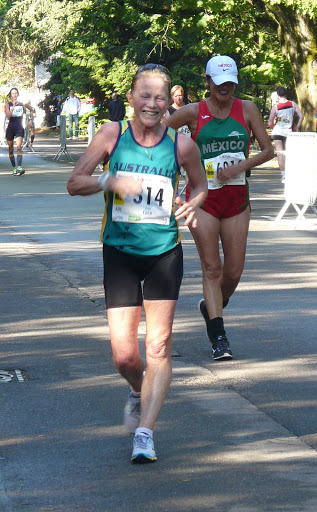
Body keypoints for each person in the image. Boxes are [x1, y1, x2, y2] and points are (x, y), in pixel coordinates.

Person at [67, 63, 207, 464]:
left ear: (168, 101)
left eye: (159, 97)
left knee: (159, 345)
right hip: (121, 254)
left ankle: (144, 433)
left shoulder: (182, 145)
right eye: (144, 95)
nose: (152, 103)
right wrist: (108, 181)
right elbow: (75, 182)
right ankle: (136, 387)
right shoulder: (112, 136)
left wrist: (193, 203)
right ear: (130, 98)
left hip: (164, 253)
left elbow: (200, 187)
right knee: (125, 356)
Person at [164, 55, 274, 361]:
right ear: (208, 82)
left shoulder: (247, 109)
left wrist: (241, 164)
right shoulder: (192, 111)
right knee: (212, 267)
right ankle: (219, 335)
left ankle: (210, 307)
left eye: (230, 83)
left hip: (237, 199)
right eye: (219, 82)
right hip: (203, 200)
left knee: (234, 270)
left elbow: (268, 150)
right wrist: (177, 169)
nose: (225, 88)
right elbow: (159, 135)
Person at [268, 86, 304, 181]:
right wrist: (297, 127)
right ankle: (291, 173)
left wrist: (273, 127)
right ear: (286, 94)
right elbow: (301, 116)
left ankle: (283, 175)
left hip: (278, 131)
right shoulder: (293, 104)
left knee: (280, 154)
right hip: (289, 132)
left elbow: (270, 122)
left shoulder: (276, 106)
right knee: (290, 153)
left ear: (278, 95)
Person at [5, 87, 34, 176]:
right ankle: (14, 168)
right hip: (10, 128)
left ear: (18, 94)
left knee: (18, 147)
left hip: (19, 128)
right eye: (13, 93)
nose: (14, 95)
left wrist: (31, 120)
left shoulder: (23, 104)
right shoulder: (8, 104)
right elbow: (8, 116)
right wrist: (13, 107)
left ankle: (19, 168)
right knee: (10, 150)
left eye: (16, 93)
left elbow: (32, 110)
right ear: (10, 95)